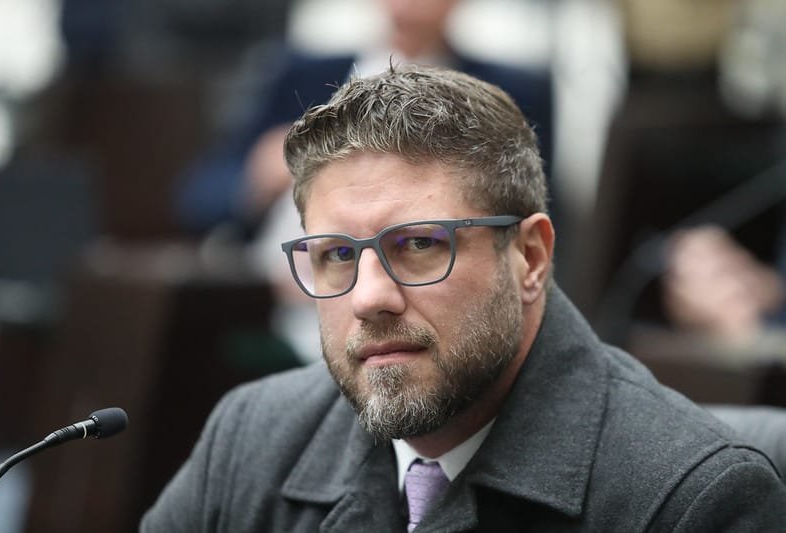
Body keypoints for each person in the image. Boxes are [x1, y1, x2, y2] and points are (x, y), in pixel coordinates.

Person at [141, 65, 786, 531]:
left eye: (420, 244)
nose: (369, 298)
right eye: (336, 255)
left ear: (530, 258)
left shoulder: (695, 500)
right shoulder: (250, 437)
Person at [174, 0, 553, 234]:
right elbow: (200, 198)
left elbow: (533, 206)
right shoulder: (300, 76)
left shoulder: (514, 90)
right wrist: (255, 179)